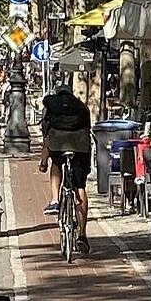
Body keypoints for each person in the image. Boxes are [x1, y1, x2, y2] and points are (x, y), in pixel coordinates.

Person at [39, 85, 94, 226]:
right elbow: (88, 133)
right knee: (80, 187)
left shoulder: (51, 107)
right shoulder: (81, 106)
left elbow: (46, 140)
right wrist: (86, 164)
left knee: (56, 163)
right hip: (80, 146)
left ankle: (55, 200)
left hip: (57, 144)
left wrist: (44, 162)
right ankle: (82, 234)